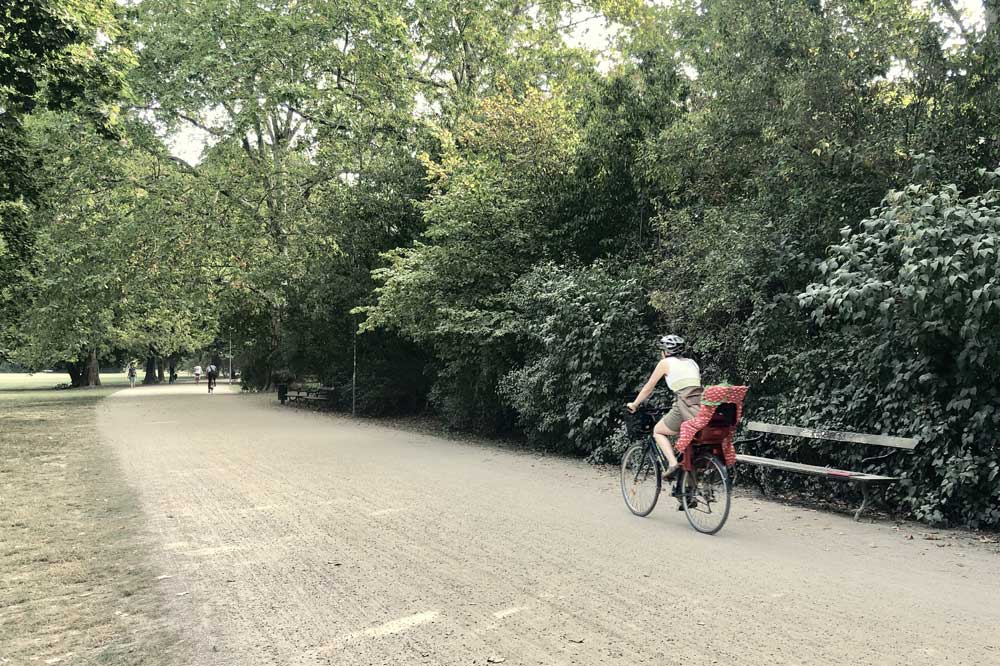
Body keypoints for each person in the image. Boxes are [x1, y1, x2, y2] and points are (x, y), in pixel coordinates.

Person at [626, 335, 703, 479]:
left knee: (658, 431)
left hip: (684, 406)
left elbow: (649, 387)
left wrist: (635, 404)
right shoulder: (692, 363)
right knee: (689, 446)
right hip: (701, 407)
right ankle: (687, 491)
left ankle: (673, 464)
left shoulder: (665, 363)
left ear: (666, 352)